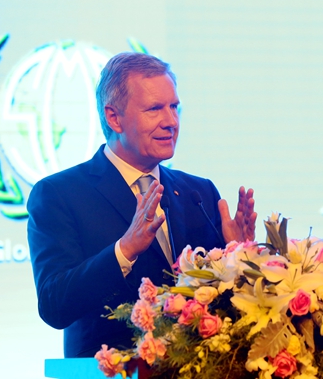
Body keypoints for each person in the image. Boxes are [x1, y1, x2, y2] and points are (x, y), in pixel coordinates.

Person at [27, 52, 257, 358]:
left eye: (174, 107)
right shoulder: (60, 194)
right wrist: (124, 250)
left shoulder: (198, 192)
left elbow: (223, 305)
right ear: (114, 118)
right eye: (155, 109)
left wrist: (239, 255)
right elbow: (54, 306)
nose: (171, 121)